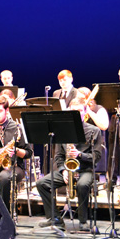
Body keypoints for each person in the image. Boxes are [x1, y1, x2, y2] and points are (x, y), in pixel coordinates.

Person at [35, 98, 103, 231]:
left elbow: (97, 157)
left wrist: (79, 154)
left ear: (85, 113)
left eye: (79, 111)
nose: (76, 115)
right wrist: (63, 171)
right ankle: (55, 218)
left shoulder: (94, 131)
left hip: (86, 169)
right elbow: (58, 157)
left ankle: (83, 221)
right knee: (41, 183)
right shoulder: (62, 131)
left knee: (82, 185)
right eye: (73, 112)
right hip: (67, 170)